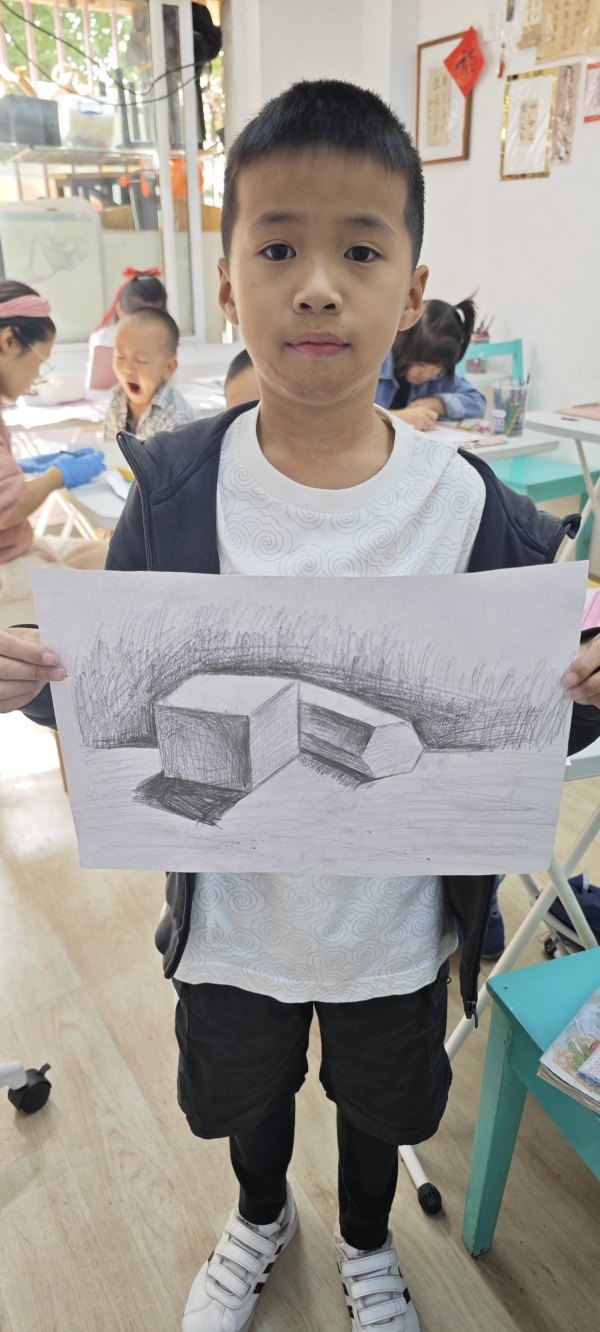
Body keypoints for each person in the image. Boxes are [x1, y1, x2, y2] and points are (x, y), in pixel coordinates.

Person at [2, 80, 600, 1332]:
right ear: (228, 284)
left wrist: (591, 689)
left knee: (381, 1106)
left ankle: (368, 1243)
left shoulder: (477, 511)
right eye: (277, 249)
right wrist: (32, 686)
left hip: (398, 929)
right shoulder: (172, 495)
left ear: (410, 288)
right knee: (249, 1098)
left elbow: (535, 716)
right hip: (237, 923)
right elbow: (108, 707)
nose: (317, 286)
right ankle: (260, 1219)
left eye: (360, 252)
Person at [0, 280, 106, 627]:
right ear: (9, 341)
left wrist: (16, 469)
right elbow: (8, 510)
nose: (35, 379)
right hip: (7, 564)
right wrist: (57, 475)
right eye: (40, 363)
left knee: (117, 559)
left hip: (19, 544)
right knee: (96, 614)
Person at [376, 297, 487, 432]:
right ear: (402, 345)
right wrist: (399, 418)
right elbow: (352, 418)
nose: (427, 374)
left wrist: (437, 404)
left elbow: (478, 403)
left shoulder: (438, 375)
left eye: (438, 366)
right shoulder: (374, 365)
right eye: (421, 364)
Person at [103, 307, 195, 443]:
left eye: (141, 360)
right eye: (120, 357)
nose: (128, 368)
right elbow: (109, 449)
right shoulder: (118, 400)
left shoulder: (176, 418)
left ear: (168, 368)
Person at [86, 268, 168, 391]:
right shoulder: (103, 338)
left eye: (153, 319)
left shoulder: (167, 337)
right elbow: (94, 386)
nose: (145, 327)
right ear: (120, 311)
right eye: (138, 321)